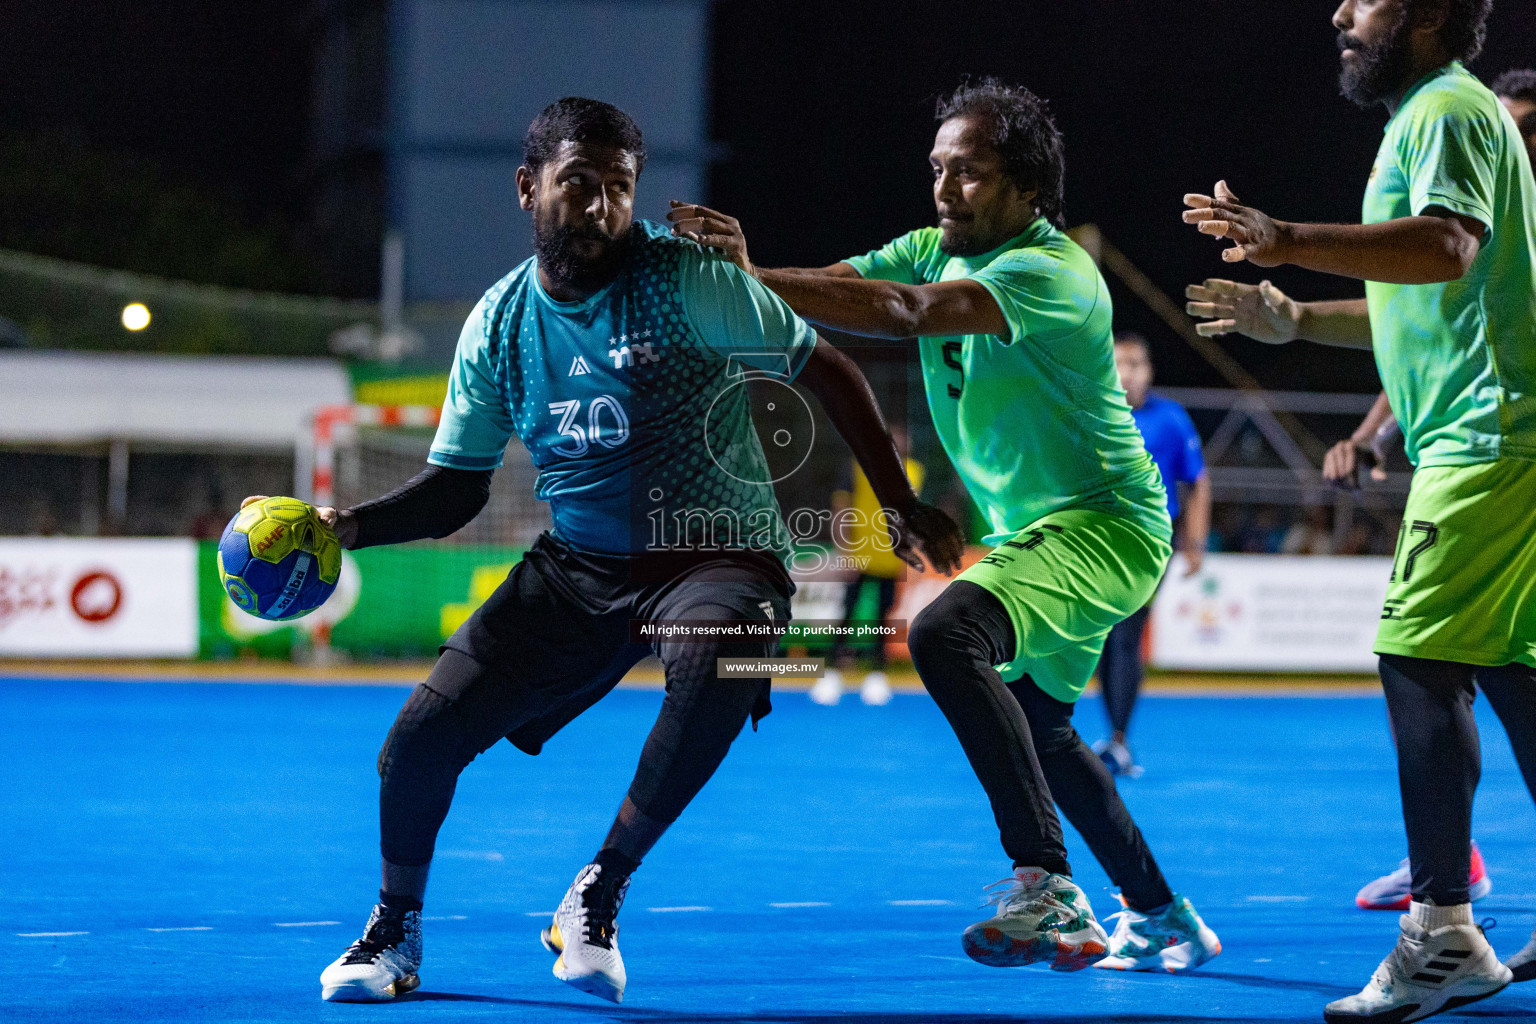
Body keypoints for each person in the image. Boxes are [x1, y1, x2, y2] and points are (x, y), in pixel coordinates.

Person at [282, 97, 963, 1006]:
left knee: (728, 663)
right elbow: (457, 487)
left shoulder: (684, 277)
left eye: (619, 187)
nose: (602, 206)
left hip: (719, 553)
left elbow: (825, 367)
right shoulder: (499, 325)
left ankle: (600, 884)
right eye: (577, 184)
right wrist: (344, 528)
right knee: (415, 746)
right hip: (581, 566)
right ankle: (396, 928)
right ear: (528, 189)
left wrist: (903, 502)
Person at [669, 77, 1221, 975]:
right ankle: (1164, 916)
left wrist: (753, 277)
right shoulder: (933, 247)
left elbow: (906, 314)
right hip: (1036, 532)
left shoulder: (1051, 271)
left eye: (969, 171)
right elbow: (845, 286)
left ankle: (1045, 883)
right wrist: (748, 283)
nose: (943, 187)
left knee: (943, 631)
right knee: (1040, 729)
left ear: (1029, 188)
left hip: (1106, 522)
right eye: (937, 168)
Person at [1182, 2, 1536, 1018]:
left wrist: (1289, 239)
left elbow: (1445, 248)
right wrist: (1293, 317)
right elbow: (1413, 302)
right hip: (1499, 436)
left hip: (1486, 439)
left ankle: (1442, 930)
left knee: (1419, 657)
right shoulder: (1431, 117)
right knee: (1513, 671)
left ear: (1426, 14)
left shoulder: (1446, 114)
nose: (1340, 10)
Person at [1092, 332, 1211, 775]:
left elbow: (1197, 481)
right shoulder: (1095, 415)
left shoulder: (1171, 418)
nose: (1128, 373)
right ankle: (1108, 736)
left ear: (1150, 371)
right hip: (1097, 542)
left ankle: (1119, 741)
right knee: (1102, 640)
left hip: (1149, 543)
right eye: (1119, 363)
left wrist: (1196, 543)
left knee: (1125, 633)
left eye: (1137, 364)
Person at [812, 425, 925, 706]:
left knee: (881, 619)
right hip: (859, 555)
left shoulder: (916, 472)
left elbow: (912, 518)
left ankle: (877, 675)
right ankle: (833, 674)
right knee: (847, 614)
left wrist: (907, 555)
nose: (899, 444)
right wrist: (845, 550)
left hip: (891, 559)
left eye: (903, 441)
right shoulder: (858, 466)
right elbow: (842, 510)